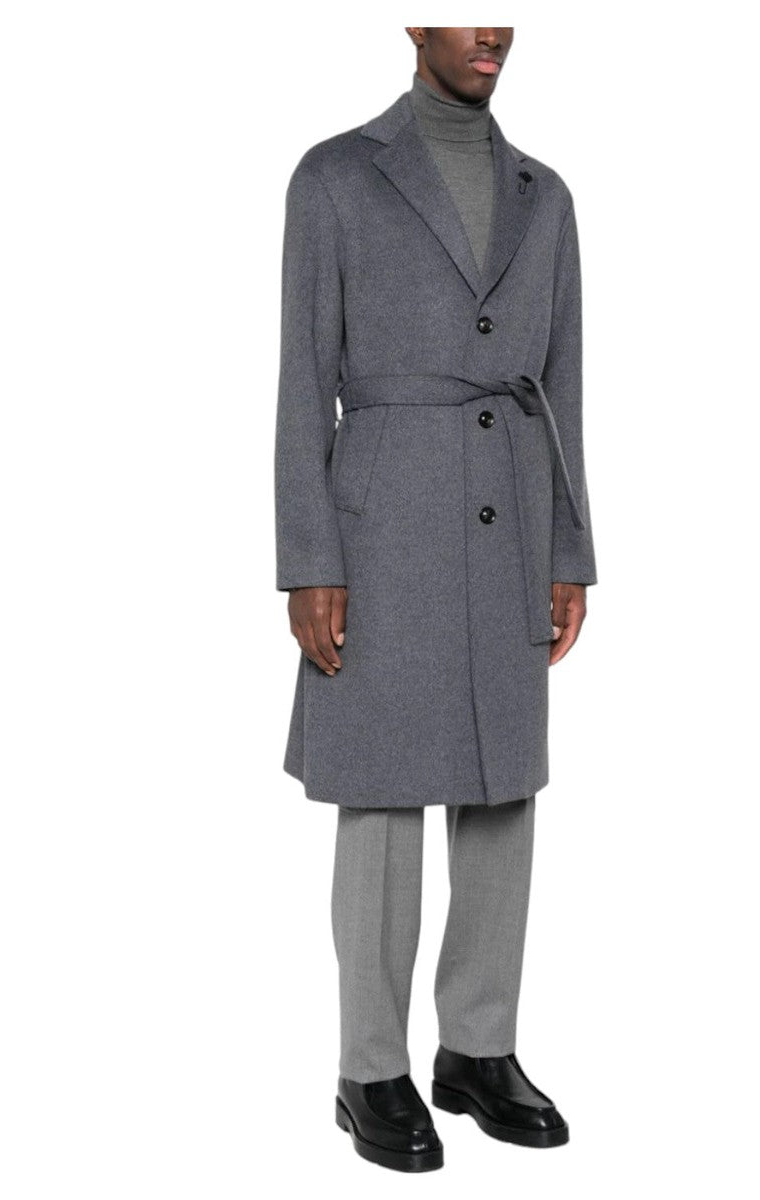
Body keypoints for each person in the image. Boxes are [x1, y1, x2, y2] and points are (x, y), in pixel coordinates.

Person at [274, 27, 597, 1172]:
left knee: (505, 787)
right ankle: (370, 1068)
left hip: (510, 509)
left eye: (503, 9)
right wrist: (310, 560)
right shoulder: (335, 177)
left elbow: (563, 381)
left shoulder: (546, 197)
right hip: (383, 521)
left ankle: (477, 1049)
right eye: (462, 10)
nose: (491, 29)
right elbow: (300, 383)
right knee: (381, 793)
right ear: (413, 23)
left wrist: (570, 549)